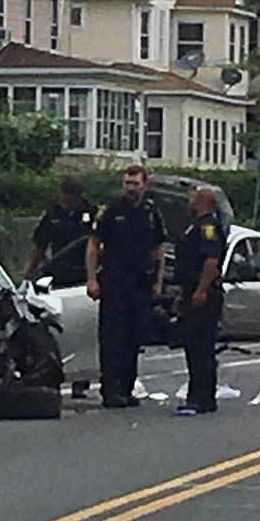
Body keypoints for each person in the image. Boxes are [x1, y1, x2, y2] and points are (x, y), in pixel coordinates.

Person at [86, 165, 166, 409]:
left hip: (140, 284)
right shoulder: (112, 210)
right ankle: (110, 390)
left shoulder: (151, 212)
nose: (131, 188)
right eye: (127, 183)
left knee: (133, 338)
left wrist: (158, 281)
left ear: (145, 184)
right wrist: (92, 278)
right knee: (112, 339)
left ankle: (126, 388)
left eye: (135, 184)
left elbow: (158, 250)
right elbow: (93, 245)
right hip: (114, 283)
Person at [26, 177, 95, 399]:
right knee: (58, 325)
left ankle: (81, 379)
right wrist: (31, 272)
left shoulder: (90, 213)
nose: (67, 201)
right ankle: (56, 370)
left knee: (83, 326)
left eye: (71, 197)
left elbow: (96, 245)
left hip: (82, 277)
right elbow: (40, 245)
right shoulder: (53, 214)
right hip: (58, 276)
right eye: (65, 196)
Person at [173, 185, 227, 416]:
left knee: (201, 347)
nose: (189, 203)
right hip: (191, 290)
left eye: (192, 199)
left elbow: (211, 261)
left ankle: (203, 397)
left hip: (203, 294)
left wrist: (202, 289)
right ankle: (196, 395)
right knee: (193, 347)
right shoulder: (194, 226)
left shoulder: (207, 227)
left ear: (202, 202)